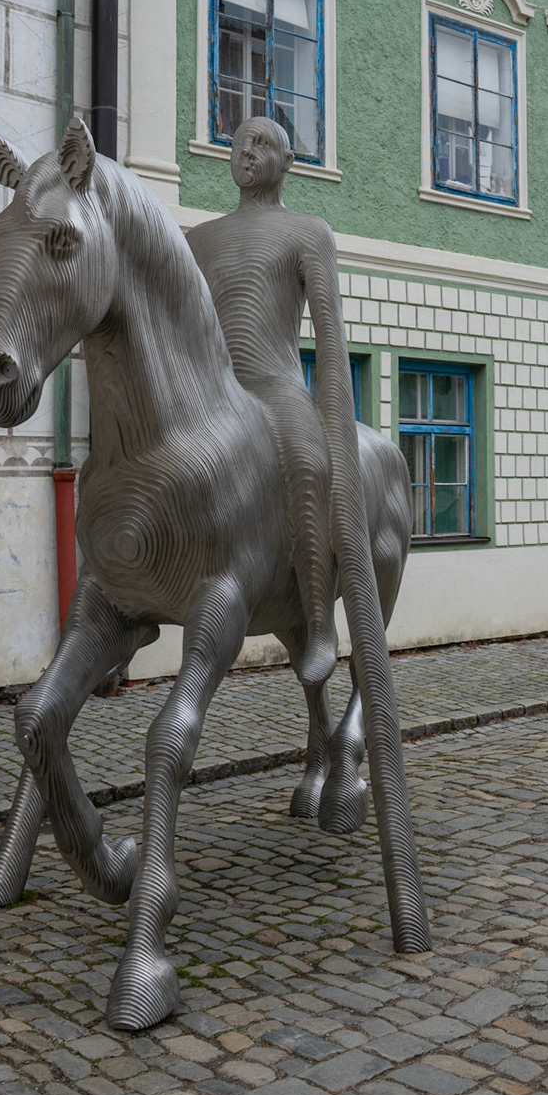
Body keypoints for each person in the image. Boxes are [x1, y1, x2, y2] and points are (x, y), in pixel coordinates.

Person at [184, 117, 354, 688]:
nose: (247, 152)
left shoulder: (306, 232)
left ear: (287, 163)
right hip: (212, 393)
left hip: (275, 387)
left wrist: (334, 423)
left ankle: (317, 620)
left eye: (262, 144)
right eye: (239, 143)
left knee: (307, 467)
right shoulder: (197, 239)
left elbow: (330, 338)